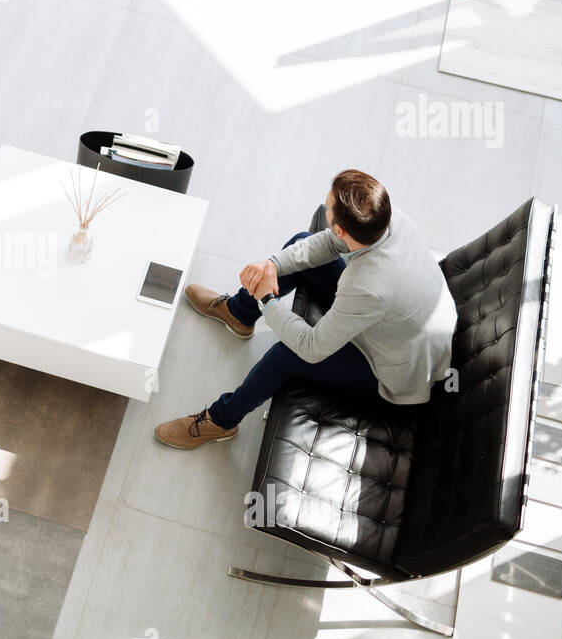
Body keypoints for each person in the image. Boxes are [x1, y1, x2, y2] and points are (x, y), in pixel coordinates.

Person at [155, 169, 456, 449]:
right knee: (302, 243)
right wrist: (272, 265)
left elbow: (311, 348)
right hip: (404, 324)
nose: (323, 210)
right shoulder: (387, 218)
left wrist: (266, 299)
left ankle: (221, 421)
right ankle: (239, 314)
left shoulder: (365, 285)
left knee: (285, 356)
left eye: (327, 207)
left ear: (341, 229)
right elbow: (326, 243)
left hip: (399, 369)